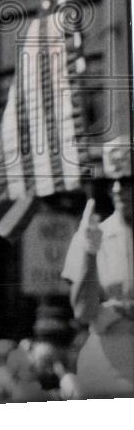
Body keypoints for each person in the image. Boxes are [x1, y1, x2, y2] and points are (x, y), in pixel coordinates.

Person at [61, 135, 134, 397]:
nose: (116, 189)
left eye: (126, 181)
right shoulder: (92, 234)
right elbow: (82, 312)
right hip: (107, 364)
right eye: (111, 182)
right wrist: (89, 253)